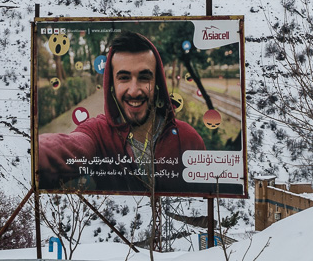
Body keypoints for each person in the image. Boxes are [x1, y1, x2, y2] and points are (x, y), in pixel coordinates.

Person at [37, 31, 206, 194]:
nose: (134, 91)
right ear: (111, 85)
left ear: (157, 83)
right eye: (124, 78)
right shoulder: (97, 134)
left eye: (144, 77)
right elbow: (66, 148)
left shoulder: (188, 140)